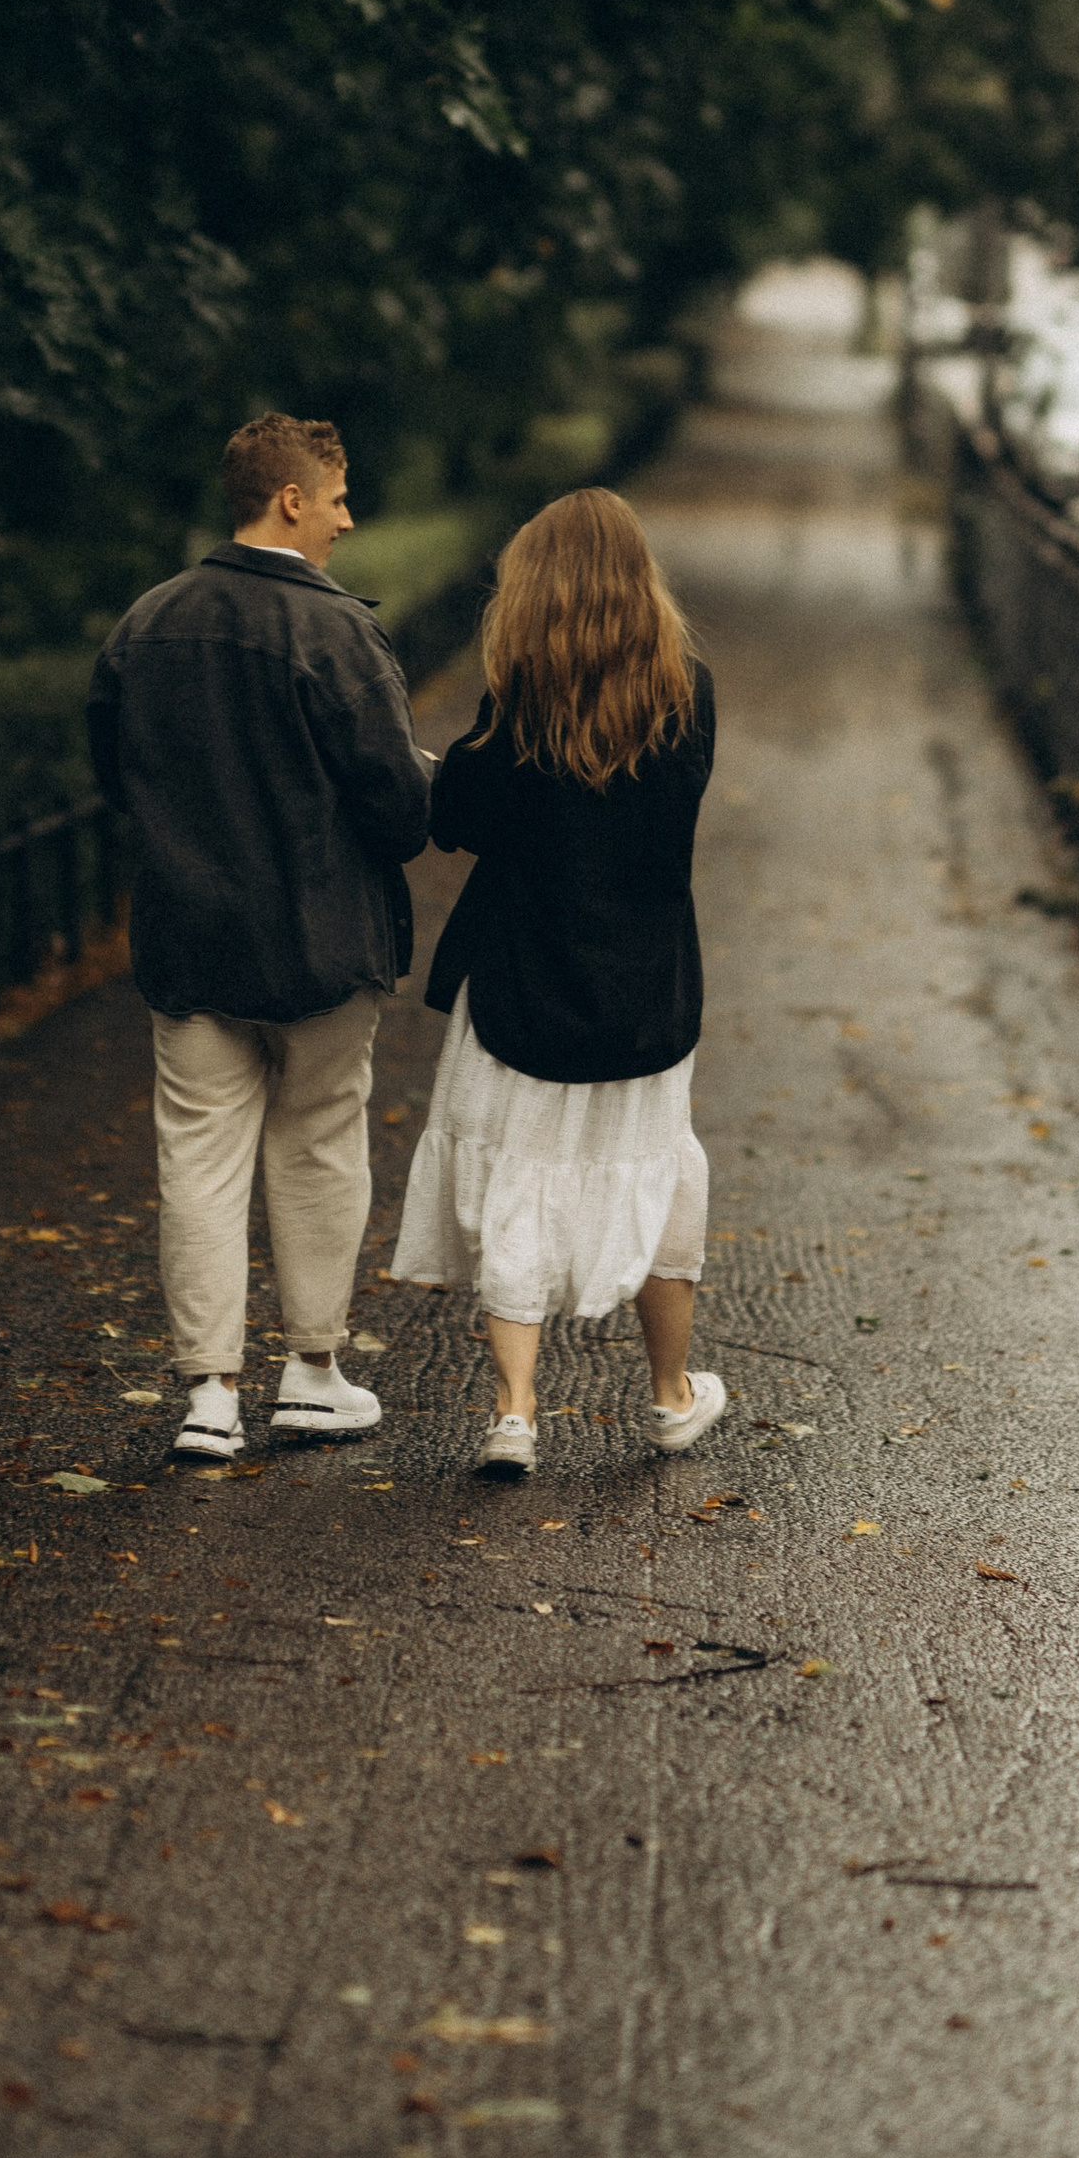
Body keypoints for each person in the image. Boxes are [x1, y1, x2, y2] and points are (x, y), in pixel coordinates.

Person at [88, 412, 433, 1463]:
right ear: (290, 499)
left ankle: (208, 1396)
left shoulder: (147, 623)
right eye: (335, 498)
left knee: (195, 1156)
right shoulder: (336, 634)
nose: (346, 517)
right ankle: (312, 1373)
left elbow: (115, 776)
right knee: (318, 1144)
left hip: (190, 937)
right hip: (323, 943)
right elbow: (395, 806)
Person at [392, 487, 723, 1478]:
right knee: (656, 1171)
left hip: (522, 980)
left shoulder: (518, 703)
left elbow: (462, 822)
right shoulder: (688, 692)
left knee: (519, 1177)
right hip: (645, 987)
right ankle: (668, 1400)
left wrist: (448, 769)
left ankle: (514, 1413)